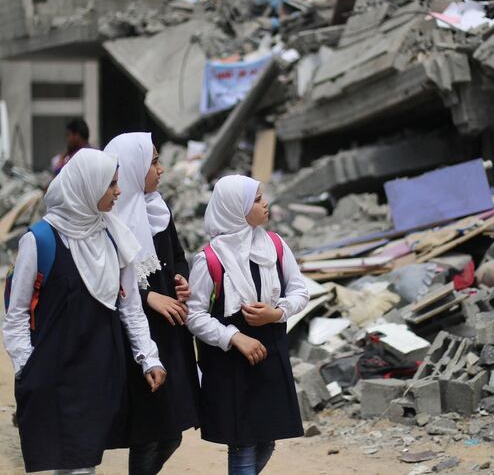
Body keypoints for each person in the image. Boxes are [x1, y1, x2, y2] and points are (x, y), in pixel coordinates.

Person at [2, 149, 166, 474]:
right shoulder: (40, 240)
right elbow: (17, 313)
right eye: (111, 184)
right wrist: (27, 367)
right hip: (54, 371)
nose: (118, 191)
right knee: (69, 460)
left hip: (99, 368)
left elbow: (130, 306)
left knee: (83, 460)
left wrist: (149, 356)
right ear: (87, 186)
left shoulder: (115, 236)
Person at [186, 175, 309, 475]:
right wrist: (233, 337)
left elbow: (300, 291)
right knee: (242, 445)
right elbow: (194, 314)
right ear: (234, 208)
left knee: (267, 439)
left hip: (270, 354)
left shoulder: (275, 246)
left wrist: (276, 313)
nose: (265, 203)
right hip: (231, 364)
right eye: (256, 199)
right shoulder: (210, 259)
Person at [104, 133, 200, 474]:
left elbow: (177, 255)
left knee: (172, 432)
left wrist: (182, 278)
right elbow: (108, 283)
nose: (161, 169)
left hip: (171, 330)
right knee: (150, 431)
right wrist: (149, 296)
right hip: (137, 334)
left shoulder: (159, 209)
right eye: (153, 161)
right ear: (132, 167)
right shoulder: (109, 219)